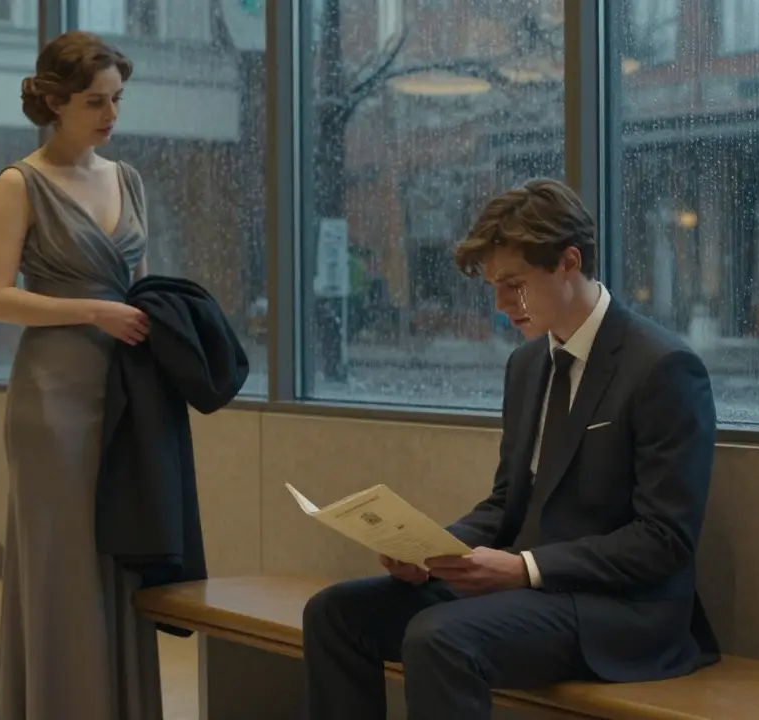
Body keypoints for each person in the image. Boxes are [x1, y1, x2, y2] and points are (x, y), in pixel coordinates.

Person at [302, 179, 721, 720]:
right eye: (494, 287)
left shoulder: (662, 368)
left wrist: (525, 567)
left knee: (439, 637)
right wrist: (434, 550)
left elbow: (665, 540)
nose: (501, 306)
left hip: (622, 611)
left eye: (514, 285)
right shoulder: (527, 365)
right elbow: (507, 501)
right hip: (527, 593)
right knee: (335, 613)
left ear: (569, 262)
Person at [0, 31, 161, 720]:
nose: (111, 115)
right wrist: (92, 310)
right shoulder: (19, 183)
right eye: (95, 101)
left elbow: (143, 291)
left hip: (125, 393)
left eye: (117, 99)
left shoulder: (128, 179)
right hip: (52, 399)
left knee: (121, 554)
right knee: (63, 567)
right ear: (55, 102)